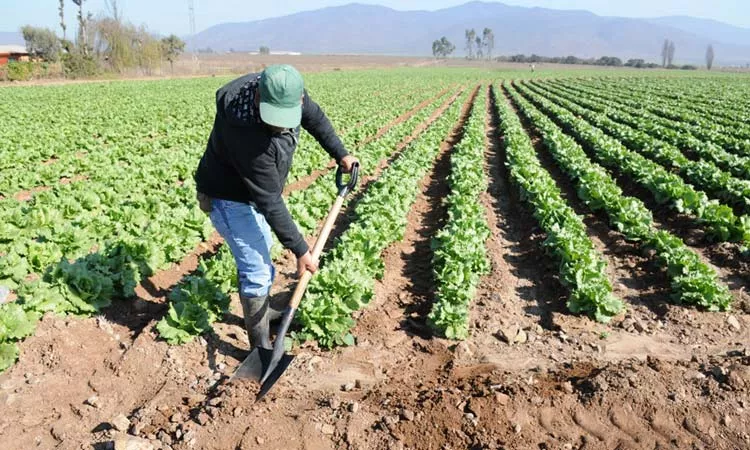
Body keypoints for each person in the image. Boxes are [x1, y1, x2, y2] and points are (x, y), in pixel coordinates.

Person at [194, 64, 358, 350]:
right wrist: (301, 249)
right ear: (258, 97)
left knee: (262, 251)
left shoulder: (289, 91)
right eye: (276, 119)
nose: (282, 126)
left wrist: (341, 153)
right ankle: (260, 348)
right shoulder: (244, 133)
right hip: (227, 197)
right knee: (257, 270)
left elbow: (315, 118)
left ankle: (264, 312)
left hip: (250, 194)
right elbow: (269, 200)